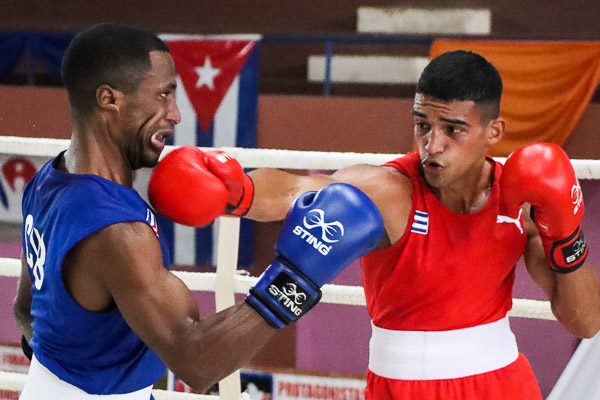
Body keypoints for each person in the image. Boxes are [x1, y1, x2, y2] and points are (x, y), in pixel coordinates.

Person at [151, 50, 600, 399]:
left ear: (493, 132)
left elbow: (585, 322)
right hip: (401, 386)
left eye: (453, 130)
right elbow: (297, 189)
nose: (432, 145)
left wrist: (567, 235)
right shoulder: (391, 188)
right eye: (422, 124)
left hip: (502, 383)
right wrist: (234, 193)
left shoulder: (520, 200)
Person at [12, 22, 385, 399]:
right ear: (110, 99)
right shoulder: (118, 231)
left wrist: (69, 363)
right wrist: (296, 278)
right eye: (163, 95)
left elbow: (27, 311)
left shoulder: (48, 180)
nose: (175, 113)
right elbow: (196, 361)